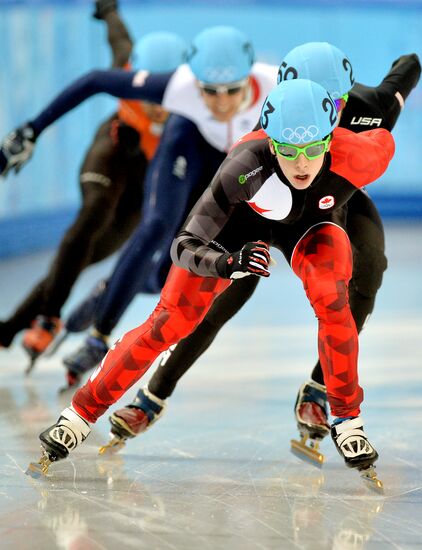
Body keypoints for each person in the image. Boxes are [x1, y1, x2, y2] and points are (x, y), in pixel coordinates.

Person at [28, 78, 395, 491]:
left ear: (331, 136)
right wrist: (225, 263)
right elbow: (183, 245)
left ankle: (345, 415)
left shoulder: (363, 153)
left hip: (309, 227)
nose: (301, 164)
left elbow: (401, 83)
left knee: (335, 300)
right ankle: (80, 414)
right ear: (269, 141)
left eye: (313, 148)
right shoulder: (245, 163)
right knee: (170, 321)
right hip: (237, 234)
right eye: (288, 150)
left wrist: (396, 87)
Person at [82, 44, 419, 462]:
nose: (321, 107)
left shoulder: (374, 107)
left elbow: (406, 72)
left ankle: (320, 389)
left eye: (335, 101)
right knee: (220, 298)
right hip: (261, 209)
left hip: (330, 205)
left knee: (366, 271)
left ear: (349, 96)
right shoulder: (279, 117)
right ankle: (155, 392)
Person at [0, 25, 278, 384]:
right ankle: (99, 337)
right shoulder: (175, 86)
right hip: (190, 146)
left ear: (249, 78)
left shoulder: (276, 84)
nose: (221, 103)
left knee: (174, 268)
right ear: (193, 80)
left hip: (225, 162)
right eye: (209, 91)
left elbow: (343, 103)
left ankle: (110, 288)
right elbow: (95, 80)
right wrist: (30, 130)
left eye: (232, 91)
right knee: (156, 227)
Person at [0, 0, 188, 369]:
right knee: (93, 213)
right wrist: (108, 8)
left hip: (147, 178)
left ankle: (9, 329)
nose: (156, 105)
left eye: (162, 94)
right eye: (148, 91)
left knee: (91, 254)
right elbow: (118, 39)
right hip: (114, 150)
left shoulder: (196, 98)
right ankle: (48, 316)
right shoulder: (127, 71)